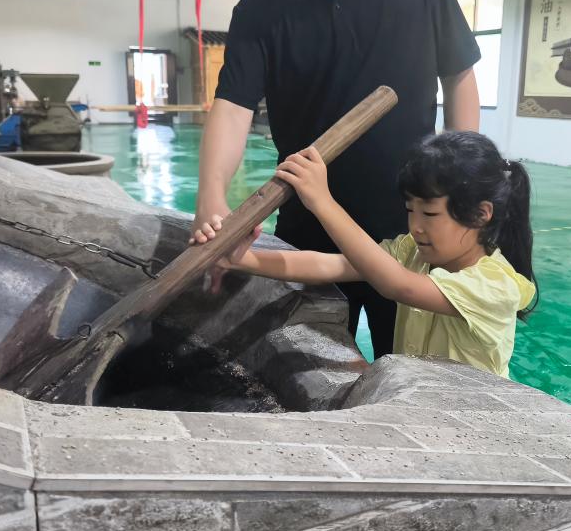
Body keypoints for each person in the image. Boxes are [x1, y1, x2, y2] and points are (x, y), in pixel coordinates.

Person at [191, 0, 482, 359]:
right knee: (305, 372)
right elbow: (233, 106)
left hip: (413, 227)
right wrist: (211, 195)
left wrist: (463, 188)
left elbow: (458, 74)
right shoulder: (259, 10)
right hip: (308, 231)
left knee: (414, 371)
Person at [215, 131, 536, 376]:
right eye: (410, 210)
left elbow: (399, 286)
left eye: (430, 213)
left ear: (481, 214)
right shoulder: (412, 252)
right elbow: (329, 265)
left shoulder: (495, 286)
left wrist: (322, 202)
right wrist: (241, 258)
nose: (416, 227)